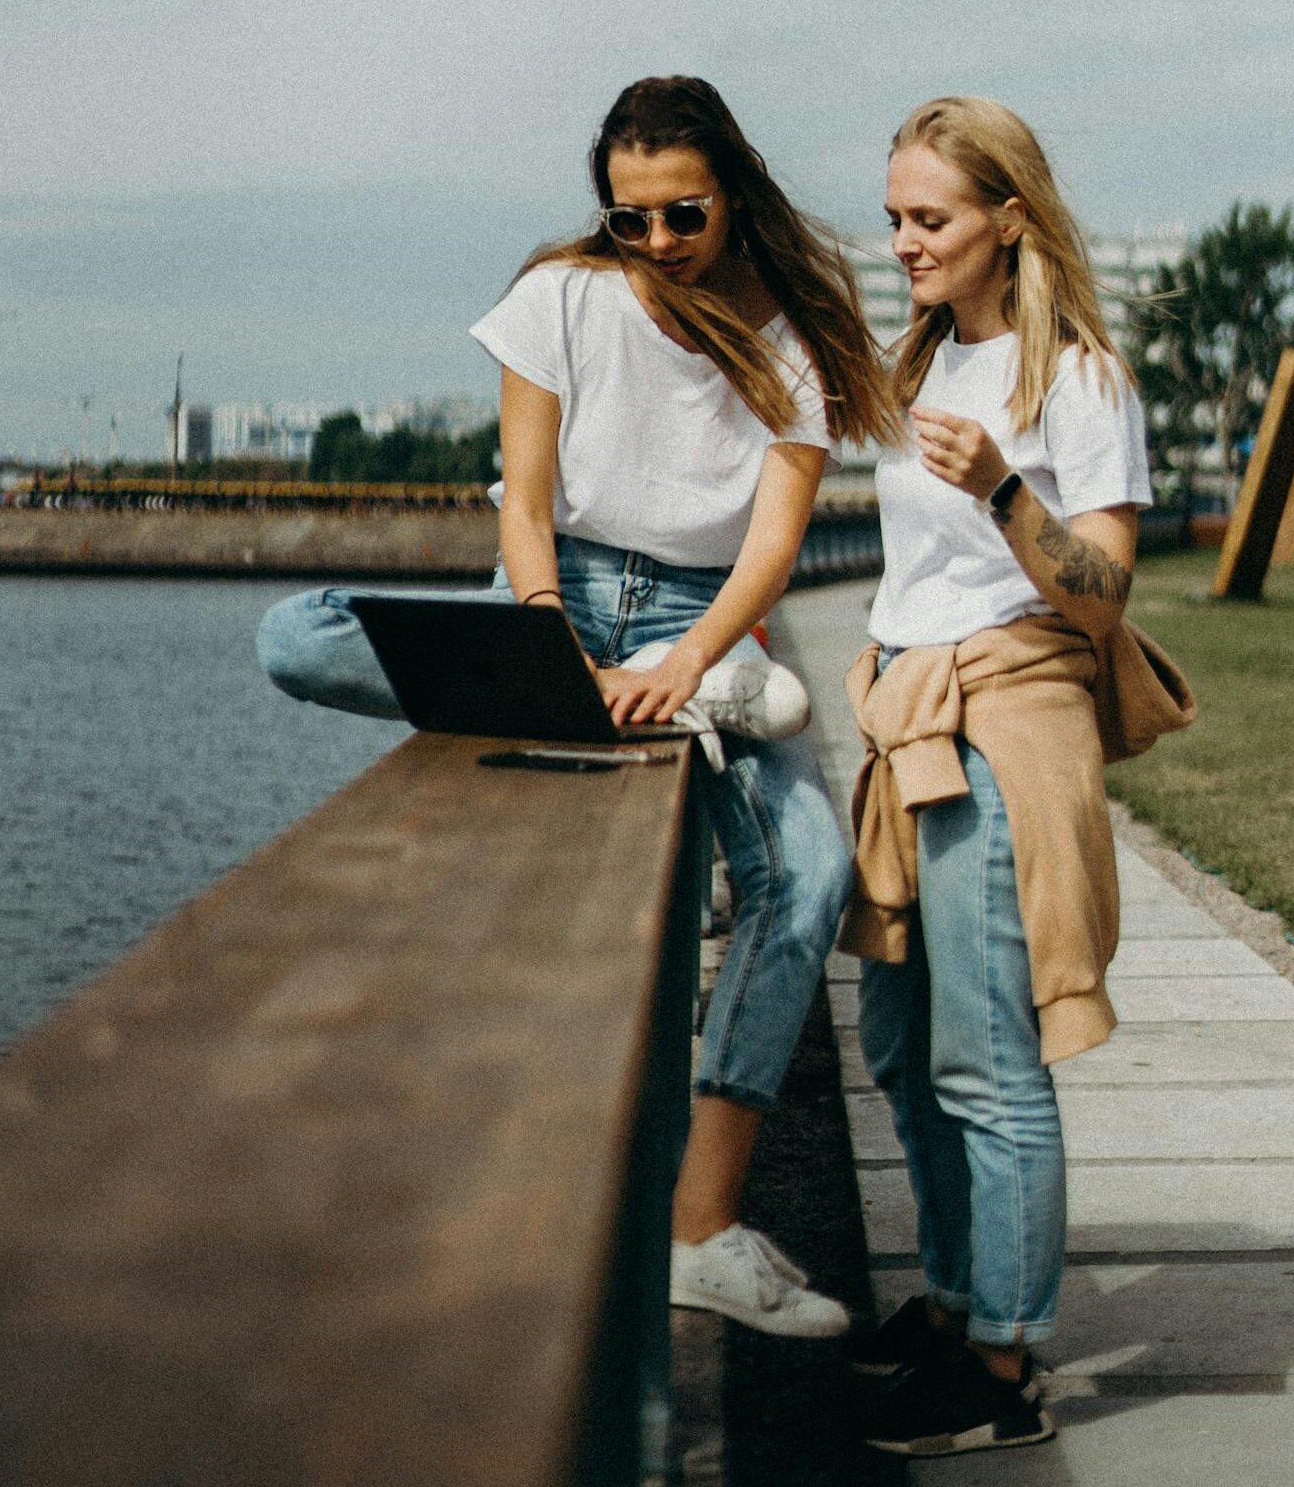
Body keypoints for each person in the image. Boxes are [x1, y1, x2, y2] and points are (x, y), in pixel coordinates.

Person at [257, 76, 898, 1336]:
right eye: (630, 220)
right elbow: (526, 498)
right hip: (558, 589)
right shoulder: (560, 296)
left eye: (683, 216)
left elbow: (772, 543)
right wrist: (546, 633)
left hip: (702, 616)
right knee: (292, 634)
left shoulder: (797, 333)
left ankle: (699, 1228)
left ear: (733, 194)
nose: (656, 243)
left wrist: (684, 658)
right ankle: (596, 700)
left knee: (811, 873)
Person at [843, 96, 1152, 1458]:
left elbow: (1101, 599)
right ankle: (959, 1294)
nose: (903, 241)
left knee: (986, 1054)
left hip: (1000, 721)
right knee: (904, 1049)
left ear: (1005, 220)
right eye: (897, 216)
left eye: (932, 218)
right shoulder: (914, 368)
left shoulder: (1074, 381)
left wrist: (1006, 496)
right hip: (906, 716)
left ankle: (1005, 1363)